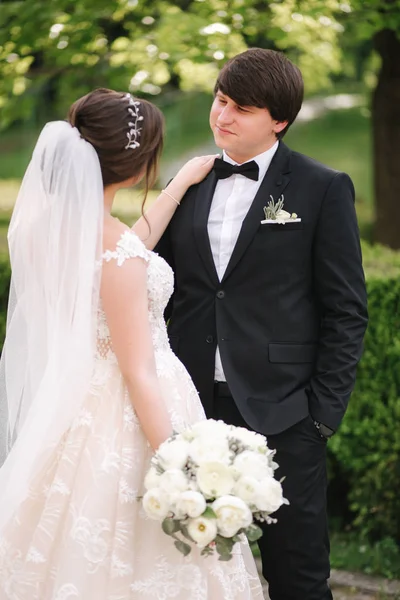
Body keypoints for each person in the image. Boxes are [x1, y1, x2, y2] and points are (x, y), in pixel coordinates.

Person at [0, 88, 264, 599]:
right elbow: (138, 370)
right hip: (133, 410)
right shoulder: (119, 257)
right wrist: (181, 471)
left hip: (77, 403)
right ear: (137, 163)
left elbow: (124, 249)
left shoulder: (46, 230)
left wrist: (180, 183)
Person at [155, 49, 369, 600]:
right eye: (220, 100)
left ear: (279, 120)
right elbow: (160, 287)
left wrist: (319, 416)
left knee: (297, 576)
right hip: (191, 410)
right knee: (187, 572)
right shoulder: (191, 182)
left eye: (241, 108)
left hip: (285, 413)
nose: (222, 116)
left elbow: (346, 309)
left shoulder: (322, 188)